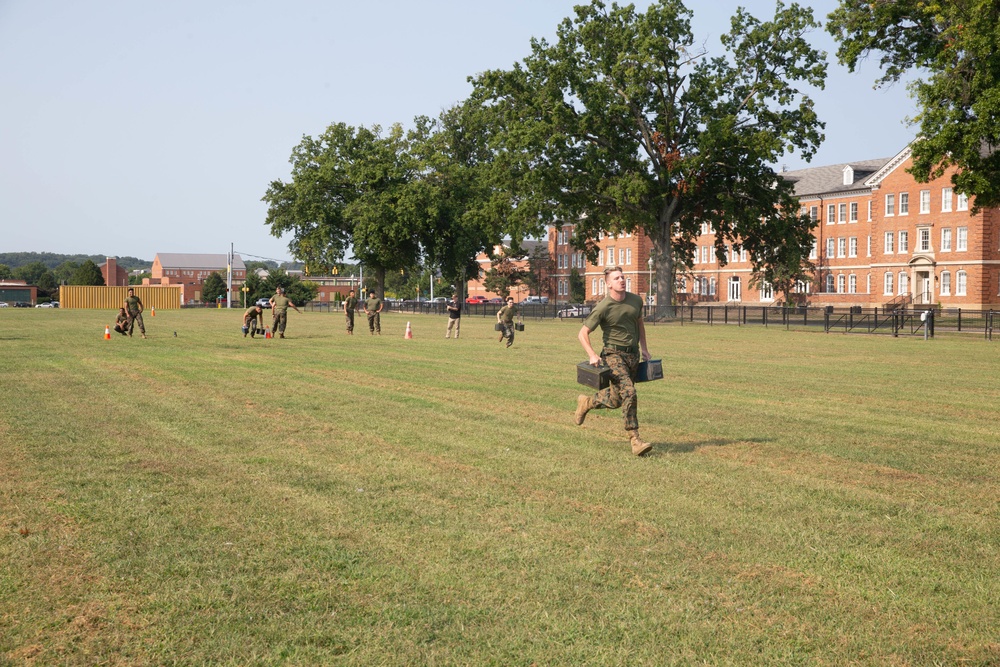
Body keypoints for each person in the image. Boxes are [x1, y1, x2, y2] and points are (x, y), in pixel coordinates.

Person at [575, 266, 653, 456]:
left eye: (623, 277)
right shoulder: (603, 307)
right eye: (617, 278)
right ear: (608, 284)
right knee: (630, 391)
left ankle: (587, 403)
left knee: (618, 398)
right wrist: (593, 355)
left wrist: (644, 348)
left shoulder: (636, 301)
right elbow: (582, 333)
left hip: (633, 356)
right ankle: (635, 439)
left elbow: (639, 324)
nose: (622, 280)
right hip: (613, 355)